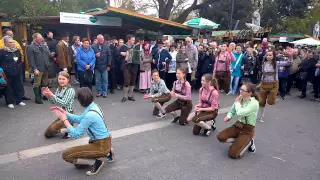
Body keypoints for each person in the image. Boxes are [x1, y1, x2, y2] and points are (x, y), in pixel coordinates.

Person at [49, 87, 114, 176]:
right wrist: (65, 113)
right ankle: (107, 152)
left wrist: (64, 120)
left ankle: (96, 162)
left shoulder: (90, 114)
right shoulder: (94, 106)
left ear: (80, 101)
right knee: (78, 163)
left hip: (100, 145)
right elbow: (79, 119)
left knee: (66, 155)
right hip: (105, 141)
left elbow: (76, 134)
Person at [216, 83, 259, 159]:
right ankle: (239, 141)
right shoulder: (240, 98)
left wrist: (237, 103)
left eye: (243, 90)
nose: (240, 91)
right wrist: (228, 116)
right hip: (238, 125)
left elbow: (240, 112)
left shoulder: (254, 103)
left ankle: (250, 142)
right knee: (220, 137)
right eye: (240, 89)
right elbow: (232, 110)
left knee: (233, 154)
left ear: (250, 93)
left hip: (247, 130)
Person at [42, 71, 75, 139]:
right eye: (59, 79)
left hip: (68, 114)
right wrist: (48, 95)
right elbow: (53, 102)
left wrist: (52, 95)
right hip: (61, 114)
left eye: (63, 79)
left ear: (68, 80)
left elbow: (64, 103)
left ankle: (69, 128)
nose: (61, 81)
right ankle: (66, 128)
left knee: (49, 133)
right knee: (47, 133)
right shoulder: (59, 89)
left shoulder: (70, 90)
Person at [0, 28, 31, 101]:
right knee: (8, 84)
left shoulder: (15, 41)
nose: (11, 36)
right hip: (7, 67)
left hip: (18, 64)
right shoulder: (1, 43)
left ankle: (20, 95)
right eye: (9, 35)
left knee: (19, 82)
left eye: (12, 35)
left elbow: (19, 51)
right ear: (4, 35)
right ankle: (10, 98)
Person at [0, 36, 26, 108]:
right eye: (10, 42)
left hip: (16, 71)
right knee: (8, 88)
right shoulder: (2, 52)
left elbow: (19, 60)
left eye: (13, 42)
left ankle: (19, 100)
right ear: (5, 43)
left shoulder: (16, 51)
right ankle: (9, 102)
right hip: (6, 72)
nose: (12, 43)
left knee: (17, 86)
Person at [27, 33, 51, 104]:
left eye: (41, 38)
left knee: (45, 83)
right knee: (37, 83)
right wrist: (34, 69)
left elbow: (47, 55)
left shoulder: (43, 45)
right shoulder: (30, 47)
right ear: (34, 38)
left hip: (45, 67)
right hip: (38, 69)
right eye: (40, 38)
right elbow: (31, 60)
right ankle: (37, 98)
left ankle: (44, 95)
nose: (41, 39)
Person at [257, 50, 278, 122]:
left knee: (271, 101)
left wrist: (290, 55)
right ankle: (261, 117)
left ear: (273, 56)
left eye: (270, 55)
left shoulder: (276, 64)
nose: (268, 56)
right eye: (267, 55)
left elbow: (289, 62)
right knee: (261, 102)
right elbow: (263, 74)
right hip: (264, 84)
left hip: (273, 85)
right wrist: (260, 83)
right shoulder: (264, 63)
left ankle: (268, 100)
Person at [119, 34, 140, 102]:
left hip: (134, 66)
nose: (134, 41)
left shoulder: (136, 47)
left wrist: (141, 55)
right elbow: (117, 55)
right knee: (127, 81)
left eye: (134, 40)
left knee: (133, 81)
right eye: (133, 40)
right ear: (128, 40)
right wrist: (121, 53)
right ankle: (125, 96)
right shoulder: (123, 47)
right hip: (126, 66)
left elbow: (138, 56)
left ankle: (130, 95)